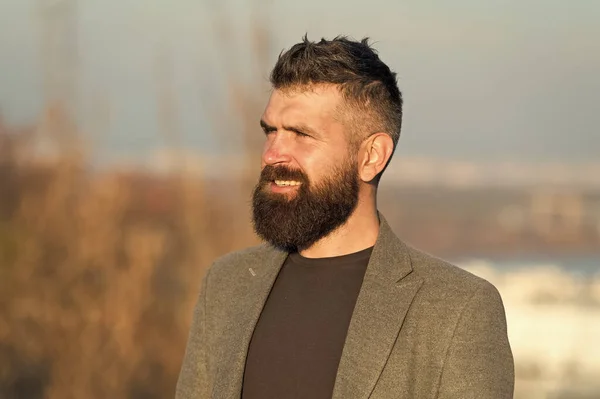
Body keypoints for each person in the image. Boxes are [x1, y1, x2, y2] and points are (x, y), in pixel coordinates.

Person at [176, 35, 514, 399]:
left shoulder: (457, 310)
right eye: (270, 131)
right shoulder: (226, 285)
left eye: (301, 134)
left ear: (372, 156)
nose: (273, 154)